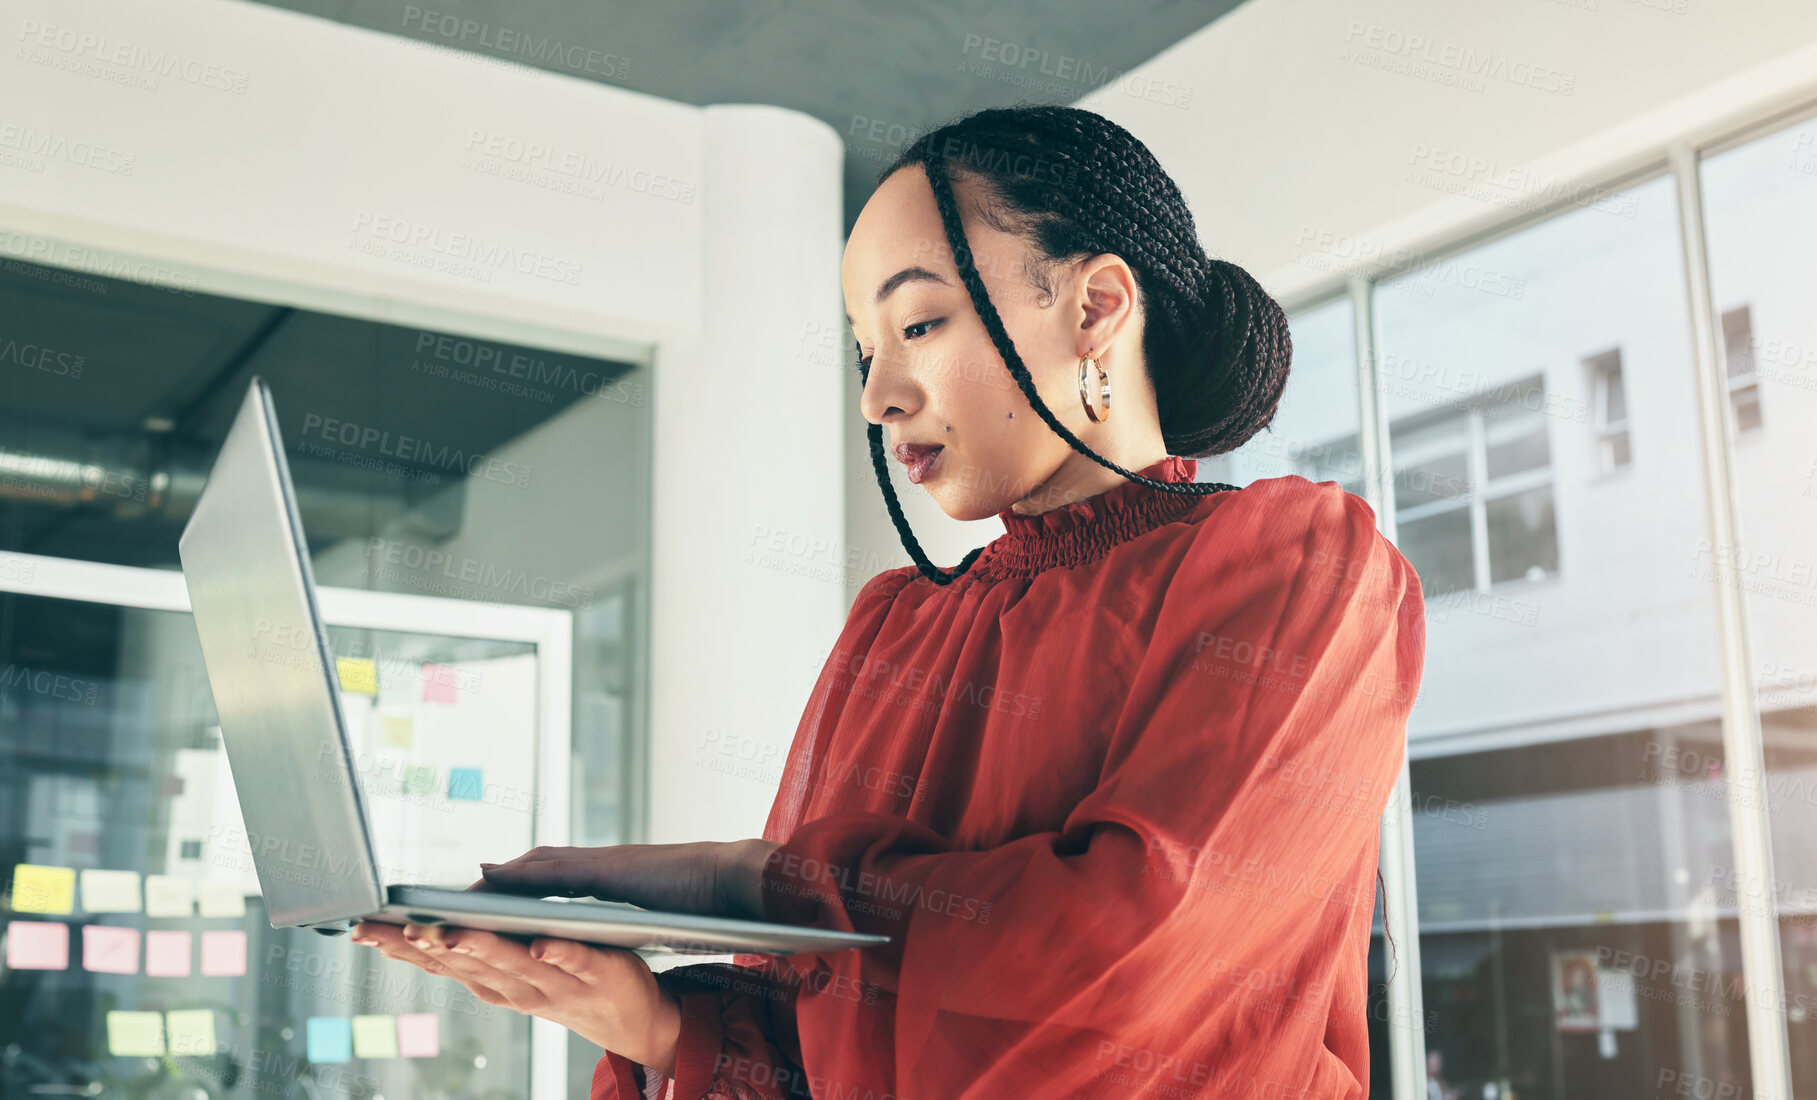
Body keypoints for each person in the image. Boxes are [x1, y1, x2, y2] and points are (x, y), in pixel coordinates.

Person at [351, 104, 1427, 1099]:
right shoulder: (893, 624)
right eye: (866, 348)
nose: (877, 397)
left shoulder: (1302, 571)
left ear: (1096, 306)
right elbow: (819, 1038)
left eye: (917, 325)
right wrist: (654, 1021)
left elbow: (1114, 969)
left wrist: (733, 877)